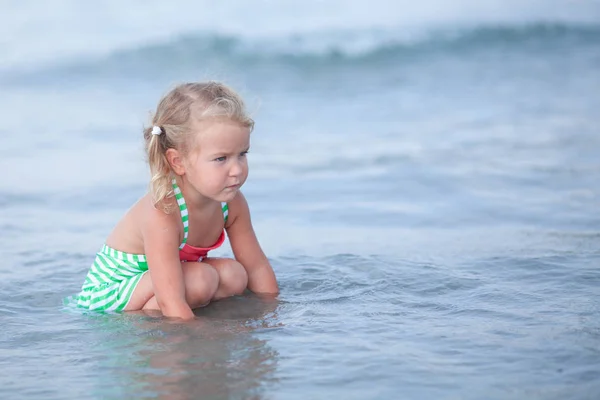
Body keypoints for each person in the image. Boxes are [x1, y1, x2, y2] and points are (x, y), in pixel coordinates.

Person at [71, 81, 279, 320]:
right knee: (202, 279)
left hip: (161, 281)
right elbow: (170, 299)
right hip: (108, 297)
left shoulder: (232, 203)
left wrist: (274, 315)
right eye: (221, 159)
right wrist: (196, 340)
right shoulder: (164, 211)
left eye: (242, 154)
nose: (236, 170)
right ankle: (145, 322)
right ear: (178, 162)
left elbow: (256, 267)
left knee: (235, 275)